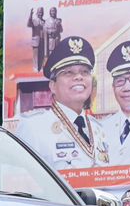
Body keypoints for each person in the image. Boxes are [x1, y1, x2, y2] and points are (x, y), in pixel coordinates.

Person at [13, 37, 109, 172]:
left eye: (85, 72)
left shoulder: (100, 129)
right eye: (68, 72)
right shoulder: (34, 127)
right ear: (52, 86)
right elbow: (20, 179)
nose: (79, 77)